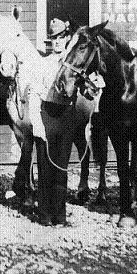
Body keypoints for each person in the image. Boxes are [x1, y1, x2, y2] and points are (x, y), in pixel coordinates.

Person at [28, 17, 78, 227]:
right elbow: (33, 94)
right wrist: (37, 124)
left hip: (66, 115)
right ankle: (45, 214)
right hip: (47, 114)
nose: (57, 42)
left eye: (60, 37)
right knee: (46, 166)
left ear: (67, 39)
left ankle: (60, 214)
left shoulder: (74, 63)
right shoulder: (43, 63)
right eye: (53, 38)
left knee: (62, 167)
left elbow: (88, 89)